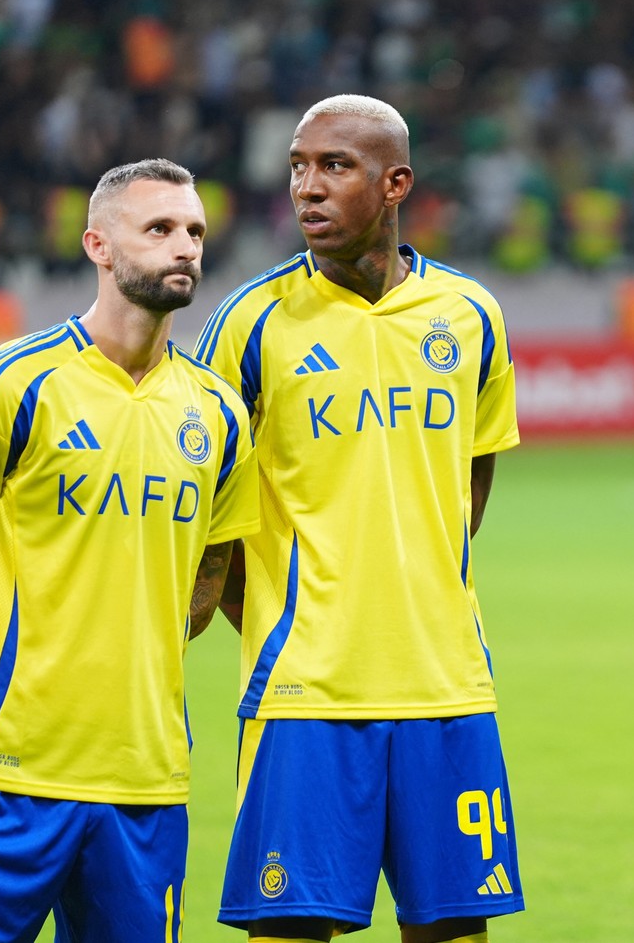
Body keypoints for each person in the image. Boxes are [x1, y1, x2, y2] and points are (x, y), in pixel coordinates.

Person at [0, 158, 260, 941]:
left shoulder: (221, 415)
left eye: (194, 231)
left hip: (145, 787)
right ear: (98, 244)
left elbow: (208, 580)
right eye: (159, 229)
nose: (185, 246)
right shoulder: (12, 382)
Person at [194, 94, 523, 943]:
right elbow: (208, 525)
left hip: (447, 684)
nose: (307, 186)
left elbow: (465, 495)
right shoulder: (248, 325)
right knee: (292, 928)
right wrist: (283, 621)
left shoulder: (471, 316)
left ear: (394, 183)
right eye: (298, 167)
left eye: (334, 166)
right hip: (305, 692)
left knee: (452, 930)